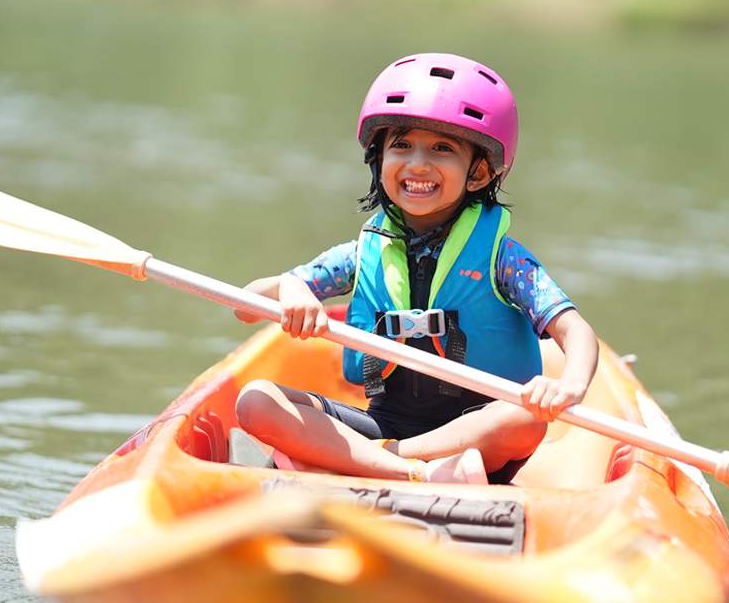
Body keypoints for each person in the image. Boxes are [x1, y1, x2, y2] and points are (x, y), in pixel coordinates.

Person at [233, 53, 598, 485]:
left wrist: (570, 385)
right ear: (378, 159)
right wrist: (290, 287)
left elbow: (575, 331)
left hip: (474, 432)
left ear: (479, 174)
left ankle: (368, 462)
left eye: (442, 148)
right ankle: (414, 473)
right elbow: (246, 306)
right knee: (254, 401)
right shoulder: (360, 253)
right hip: (383, 426)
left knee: (524, 419)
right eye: (401, 146)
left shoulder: (504, 261)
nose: (418, 164)